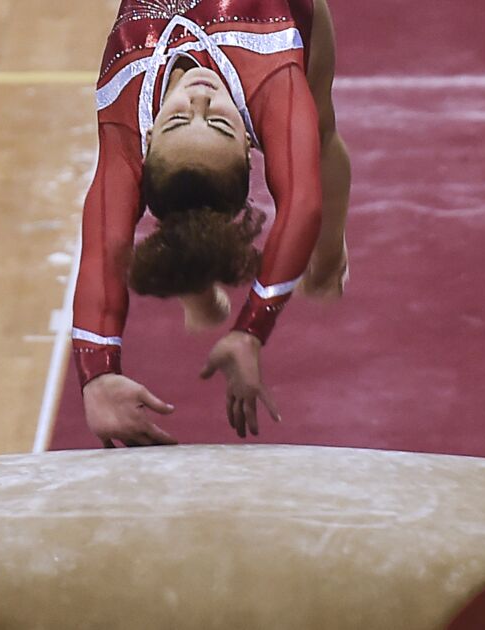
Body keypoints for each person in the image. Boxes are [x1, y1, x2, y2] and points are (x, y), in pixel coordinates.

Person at [71, 0, 351, 447]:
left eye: (179, 116)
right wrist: (97, 377)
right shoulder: (270, 78)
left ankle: (328, 257)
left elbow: (305, 205)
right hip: (262, 23)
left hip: (285, 17)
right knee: (187, 183)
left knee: (318, 135)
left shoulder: (129, 111)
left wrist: (97, 375)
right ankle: (198, 281)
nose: (200, 96)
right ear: (245, 138)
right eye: (218, 120)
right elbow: (104, 251)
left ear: (147, 140)